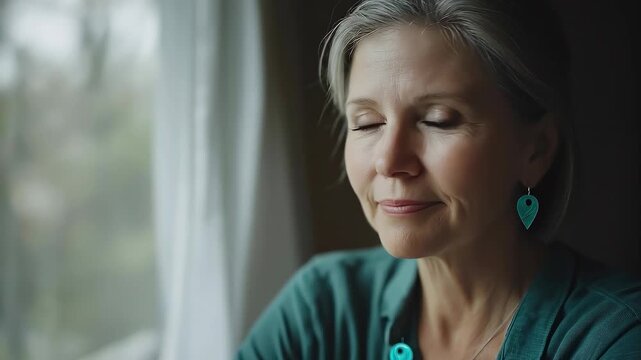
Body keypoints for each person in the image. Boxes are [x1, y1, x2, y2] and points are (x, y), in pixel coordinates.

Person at [236, 0, 641, 358]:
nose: (389, 160)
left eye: (438, 120)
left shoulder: (615, 337)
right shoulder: (322, 307)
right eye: (367, 123)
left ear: (535, 150)